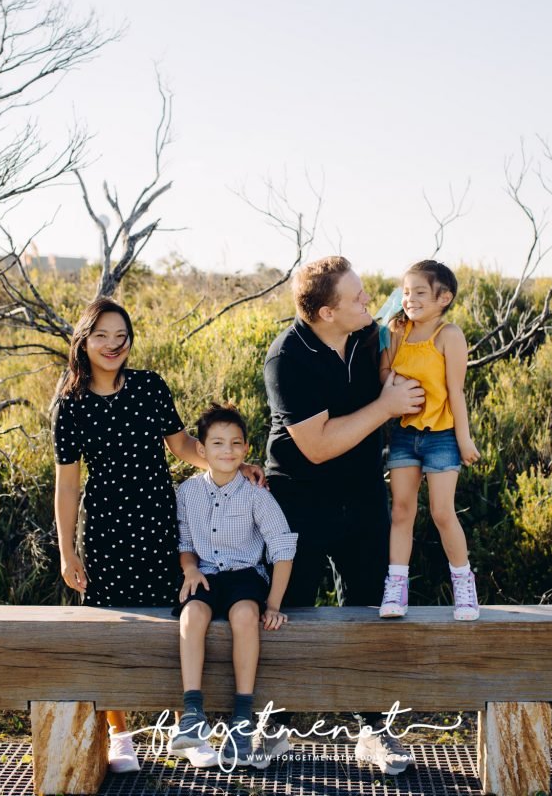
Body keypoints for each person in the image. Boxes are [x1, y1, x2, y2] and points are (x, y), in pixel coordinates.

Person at [52, 298, 264, 773]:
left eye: (121, 336)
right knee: (113, 627)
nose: (113, 345)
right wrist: (67, 552)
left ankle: (185, 728)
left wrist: (231, 463)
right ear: (84, 341)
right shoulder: (70, 405)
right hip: (105, 529)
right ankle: (120, 736)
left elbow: (183, 444)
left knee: (176, 621)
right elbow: (66, 485)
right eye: (102, 336)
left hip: (159, 522)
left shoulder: (149, 386)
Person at [263, 255, 425, 775]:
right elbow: (317, 446)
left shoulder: (368, 333)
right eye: (356, 297)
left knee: (372, 607)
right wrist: (386, 406)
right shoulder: (286, 358)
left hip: (362, 494)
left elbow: (414, 312)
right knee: (287, 609)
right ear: (327, 313)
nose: (368, 300)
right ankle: (273, 726)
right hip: (298, 499)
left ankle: (373, 729)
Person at [170, 402, 297, 769]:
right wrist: (189, 570)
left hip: (245, 574)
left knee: (244, 616)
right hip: (206, 573)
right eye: (218, 443)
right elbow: (185, 542)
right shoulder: (187, 492)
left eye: (235, 443)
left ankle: (242, 720)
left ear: (246, 449)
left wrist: (273, 604)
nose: (227, 451)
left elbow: (282, 548)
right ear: (201, 449)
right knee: (192, 614)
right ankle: (193, 712)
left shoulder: (256, 494)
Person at [378, 260, 480, 621]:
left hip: (442, 436)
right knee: (402, 511)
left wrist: (464, 440)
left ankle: (464, 586)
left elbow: (456, 392)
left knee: (441, 512)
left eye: (420, 292)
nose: (410, 299)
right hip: (405, 435)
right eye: (406, 292)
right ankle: (396, 587)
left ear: (444, 298)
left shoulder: (448, 335)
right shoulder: (397, 331)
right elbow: (384, 371)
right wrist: (394, 385)